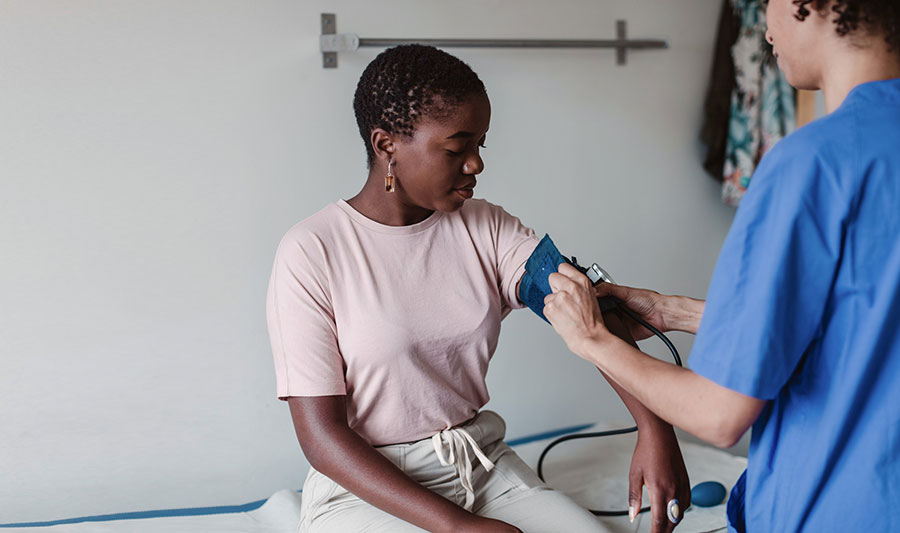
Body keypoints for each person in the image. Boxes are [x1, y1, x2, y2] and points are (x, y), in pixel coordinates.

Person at [266, 44, 690, 533]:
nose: (475, 165)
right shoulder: (312, 250)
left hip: (480, 467)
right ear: (386, 147)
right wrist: (456, 526)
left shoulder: (487, 227)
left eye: (480, 146)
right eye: (456, 149)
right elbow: (322, 438)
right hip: (365, 490)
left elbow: (587, 310)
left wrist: (655, 429)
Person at [543, 1, 900, 531]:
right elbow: (860, 325)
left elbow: (719, 414)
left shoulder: (812, 164)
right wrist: (674, 311)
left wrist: (592, 339)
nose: (764, 26)